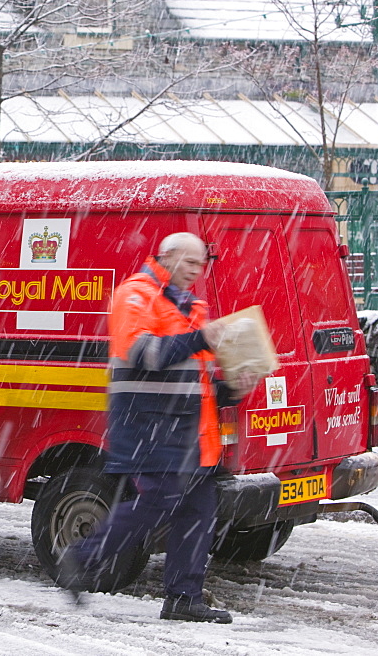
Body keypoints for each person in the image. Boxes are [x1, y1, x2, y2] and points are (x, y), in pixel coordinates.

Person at [59, 232, 257, 624]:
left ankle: (184, 598)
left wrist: (232, 389)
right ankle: (79, 558)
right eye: (189, 263)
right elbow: (144, 353)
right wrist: (201, 337)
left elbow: (195, 383)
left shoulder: (190, 307)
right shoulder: (136, 295)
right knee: (158, 504)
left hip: (190, 437)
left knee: (198, 513)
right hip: (150, 429)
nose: (196, 273)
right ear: (166, 257)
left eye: (202, 265)